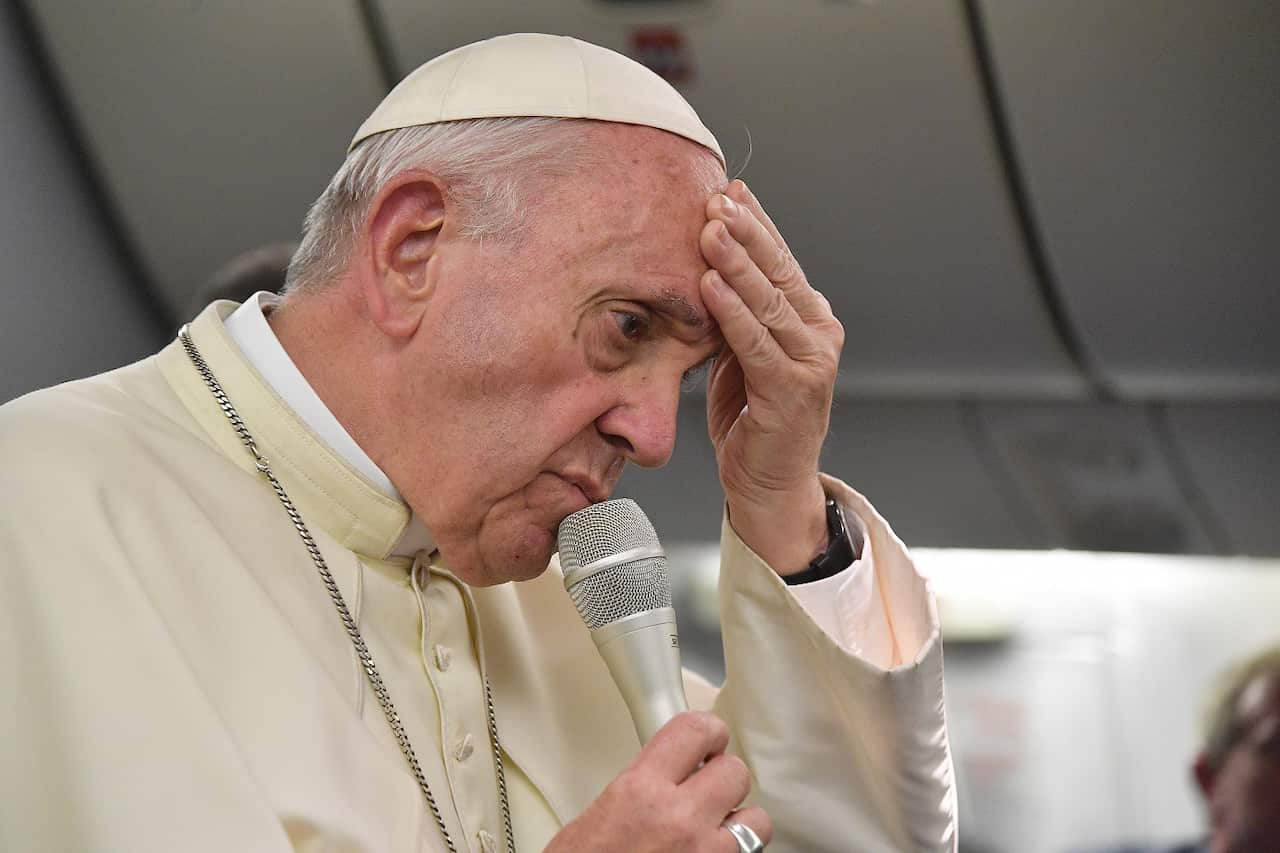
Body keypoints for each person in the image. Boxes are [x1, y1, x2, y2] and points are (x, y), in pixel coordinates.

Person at [0, 34, 956, 852]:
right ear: (412, 248)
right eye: (626, 327)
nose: (658, 438)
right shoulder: (43, 504)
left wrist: (787, 512)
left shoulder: (563, 605)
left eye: (690, 374)